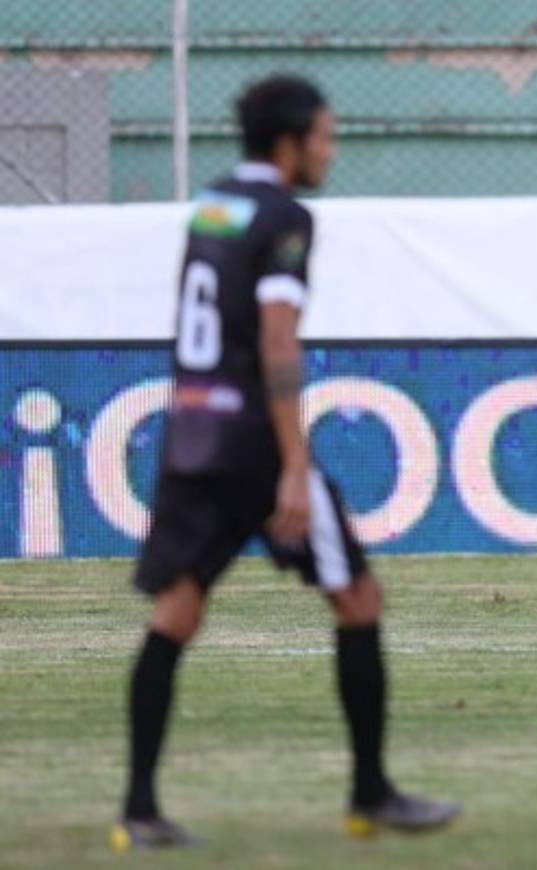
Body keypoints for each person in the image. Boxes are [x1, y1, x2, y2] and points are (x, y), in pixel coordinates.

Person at [110, 75, 460, 851]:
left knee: (177, 612)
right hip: (255, 449)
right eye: (326, 137)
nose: (331, 152)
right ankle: (371, 795)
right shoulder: (286, 217)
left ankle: (138, 811)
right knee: (358, 598)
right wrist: (294, 466)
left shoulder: (214, 205)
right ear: (290, 140)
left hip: (193, 437)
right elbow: (276, 341)